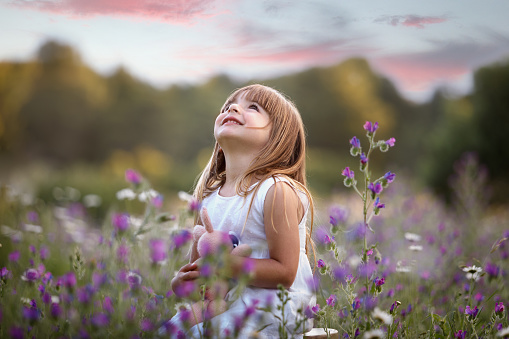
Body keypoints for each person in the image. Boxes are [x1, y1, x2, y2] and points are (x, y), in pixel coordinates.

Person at [166, 84, 316, 338]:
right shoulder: (208, 198)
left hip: (270, 310)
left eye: (253, 107)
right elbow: (201, 275)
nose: (232, 108)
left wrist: (225, 266)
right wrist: (184, 284)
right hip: (223, 306)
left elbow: (285, 273)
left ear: (278, 137)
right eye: (227, 107)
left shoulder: (276, 190)